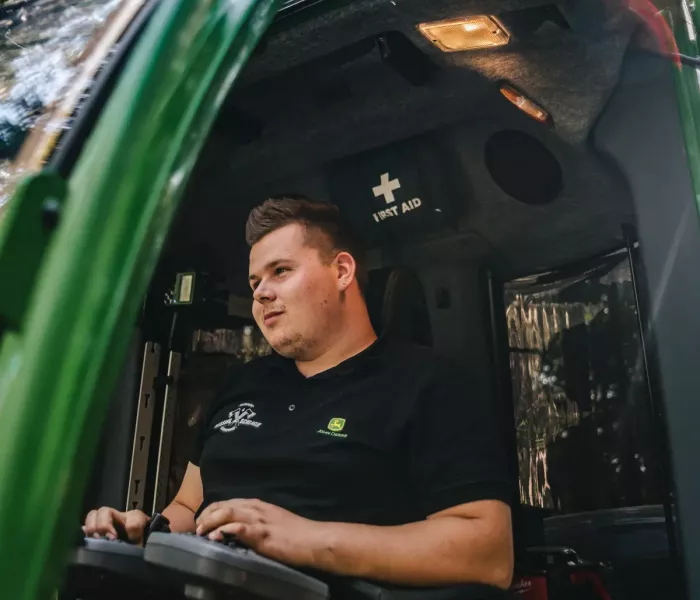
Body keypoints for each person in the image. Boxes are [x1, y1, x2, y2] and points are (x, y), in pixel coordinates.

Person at [84, 197, 514, 589]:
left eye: (281, 271)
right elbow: (188, 504)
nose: (261, 293)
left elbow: (489, 553)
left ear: (341, 271)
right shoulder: (241, 385)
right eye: (255, 281)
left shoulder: (429, 385)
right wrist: (144, 532)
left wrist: (306, 539)